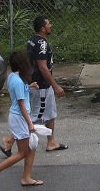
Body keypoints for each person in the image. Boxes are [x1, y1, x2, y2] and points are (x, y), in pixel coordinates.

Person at [0, 51, 43, 188]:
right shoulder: (18, 81)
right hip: (20, 119)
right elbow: (21, 104)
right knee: (23, 152)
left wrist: (29, 87)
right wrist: (30, 123)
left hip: (18, 118)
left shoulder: (13, 76)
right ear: (23, 64)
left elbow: (19, 93)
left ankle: (26, 177)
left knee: (31, 147)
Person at [27, 15, 67, 152]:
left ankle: (51, 141)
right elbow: (43, 67)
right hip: (41, 87)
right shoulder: (42, 44)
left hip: (42, 85)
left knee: (50, 114)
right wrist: (56, 86)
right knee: (35, 118)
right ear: (43, 28)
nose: (51, 25)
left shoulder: (32, 40)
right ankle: (10, 140)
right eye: (49, 24)